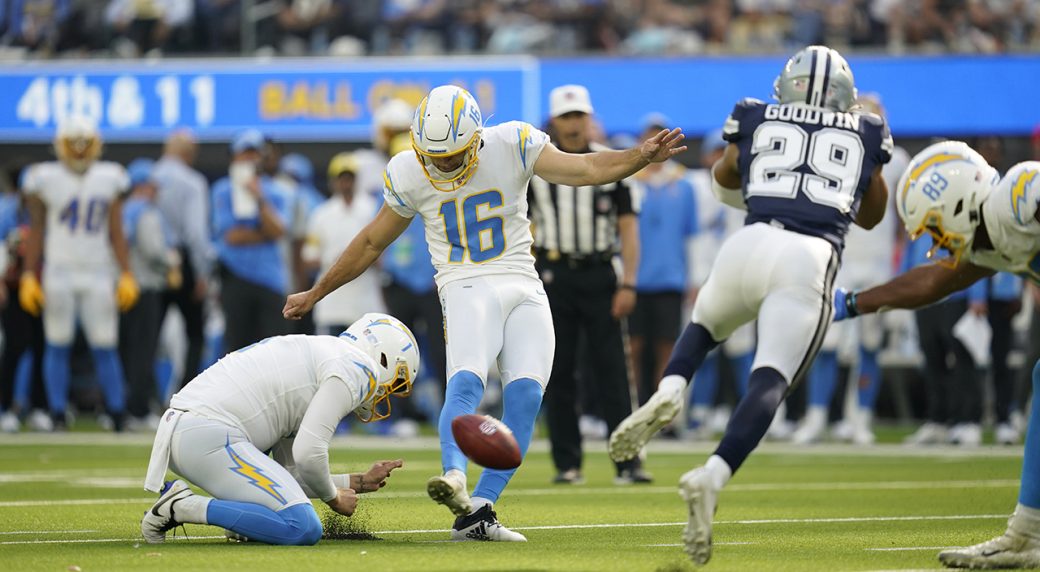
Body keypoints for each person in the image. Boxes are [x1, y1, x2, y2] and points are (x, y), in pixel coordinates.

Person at [283, 84, 685, 541]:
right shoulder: (409, 170)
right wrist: (318, 291)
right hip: (463, 281)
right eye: (434, 156)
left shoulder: (511, 142)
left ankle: (479, 511)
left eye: (454, 155)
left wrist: (639, 156)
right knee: (468, 379)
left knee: (528, 398)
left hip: (522, 278)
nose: (443, 164)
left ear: (476, 138)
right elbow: (373, 241)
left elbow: (588, 167)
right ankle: (454, 476)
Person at [608, 46, 892, 565]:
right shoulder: (868, 128)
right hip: (810, 254)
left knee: (704, 326)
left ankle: (671, 388)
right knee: (770, 378)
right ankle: (713, 473)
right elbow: (872, 215)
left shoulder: (753, 111)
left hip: (751, 239)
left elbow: (725, 176)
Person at [832, 143, 1040, 569]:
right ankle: (1026, 534)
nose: (935, 241)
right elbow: (934, 283)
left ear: (956, 203)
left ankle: (1026, 534)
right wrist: (848, 304)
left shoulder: (1023, 193)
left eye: (933, 225)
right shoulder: (990, 239)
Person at [139, 313, 417, 545]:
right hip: (210, 433)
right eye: (397, 382)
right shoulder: (359, 367)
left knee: (286, 514)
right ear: (384, 358)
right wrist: (333, 498)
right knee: (303, 527)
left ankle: (242, 520)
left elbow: (291, 473)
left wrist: (356, 482)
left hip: (194, 432)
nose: (386, 393)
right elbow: (309, 453)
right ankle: (180, 507)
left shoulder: (321, 356)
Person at [527, 84, 645, 486]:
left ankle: (628, 461)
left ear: (589, 118)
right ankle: (567, 463)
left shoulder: (611, 164)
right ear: (555, 121)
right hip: (554, 274)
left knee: (613, 371)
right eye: (567, 116)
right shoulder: (536, 168)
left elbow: (628, 229)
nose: (574, 124)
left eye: (580, 116)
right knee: (558, 371)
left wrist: (629, 283)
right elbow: (521, 225)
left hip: (599, 274)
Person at [792, 93, 910, 446]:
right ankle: (816, 417)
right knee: (825, 342)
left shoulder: (899, 158)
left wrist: (898, 263)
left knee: (870, 344)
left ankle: (861, 417)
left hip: (876, 262)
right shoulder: (835, 146)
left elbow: (904, 219)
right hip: (839, 258)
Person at [20, 116, 141, 431]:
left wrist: (126, 272)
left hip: (98, 269)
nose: (78, 150)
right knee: (57, 341)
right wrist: (29, 274)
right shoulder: (44, 178)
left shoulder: (109, 177)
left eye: (84, 143)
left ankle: (116, 412)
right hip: (59, 270)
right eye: (72, 143)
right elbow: (37, 231)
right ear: (60, 146)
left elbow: (116, 231)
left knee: (105, 343)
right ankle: (58, 412)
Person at [212, 129, 294, 353]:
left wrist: (258, 197)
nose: (250, 159)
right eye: (245, 153)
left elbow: (278, 231)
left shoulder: (276, 191)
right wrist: (263, 232)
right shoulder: (223, 190)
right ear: (234, 156)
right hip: (236, 278)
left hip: (270, 281)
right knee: (237, 350)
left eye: (255, 153)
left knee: (273, 351)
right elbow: (231, 237)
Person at [119, 158, 180, 430]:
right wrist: (173, 259)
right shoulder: (145, 212)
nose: (157, 191)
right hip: (145, 286)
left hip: (125, 287)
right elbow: (153, 249)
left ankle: (128, 405)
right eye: (154, 186)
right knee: (144, 351)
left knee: (129, 349)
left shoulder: (122, 210)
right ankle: (138, 408)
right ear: (143, 186)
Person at [152, 129, 211, 391]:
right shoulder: (192, 181)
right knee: (195, 334)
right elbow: (195, 232)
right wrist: (202, 273)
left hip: (151, 258)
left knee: (147, 334)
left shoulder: (149, 176)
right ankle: (185, 393)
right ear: (188, 153)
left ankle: (142, 402)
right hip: (184, 260)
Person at [302, 152, 383, 335]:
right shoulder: (321, 215)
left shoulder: (371, 209)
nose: (346, 184)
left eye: (350, 178)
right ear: (333, 182)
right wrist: (337, 260)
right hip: (332, 304)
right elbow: (308, 257)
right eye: (342, 179)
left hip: (366, 300)